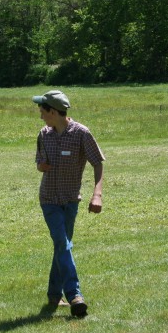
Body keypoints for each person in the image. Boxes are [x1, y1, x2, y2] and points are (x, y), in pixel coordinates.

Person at [32, 90, 105, 318]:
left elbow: (98, 163)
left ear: (53, 112)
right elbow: (38, 161)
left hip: (71, 200)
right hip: (49, 200)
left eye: (42, 110)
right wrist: (41, 166)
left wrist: (97, 194)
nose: (40, 114)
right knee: (63, 244)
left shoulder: (81, 134)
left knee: (61, 246)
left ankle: (54, 295)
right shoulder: (44, 134)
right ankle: (75, 295)